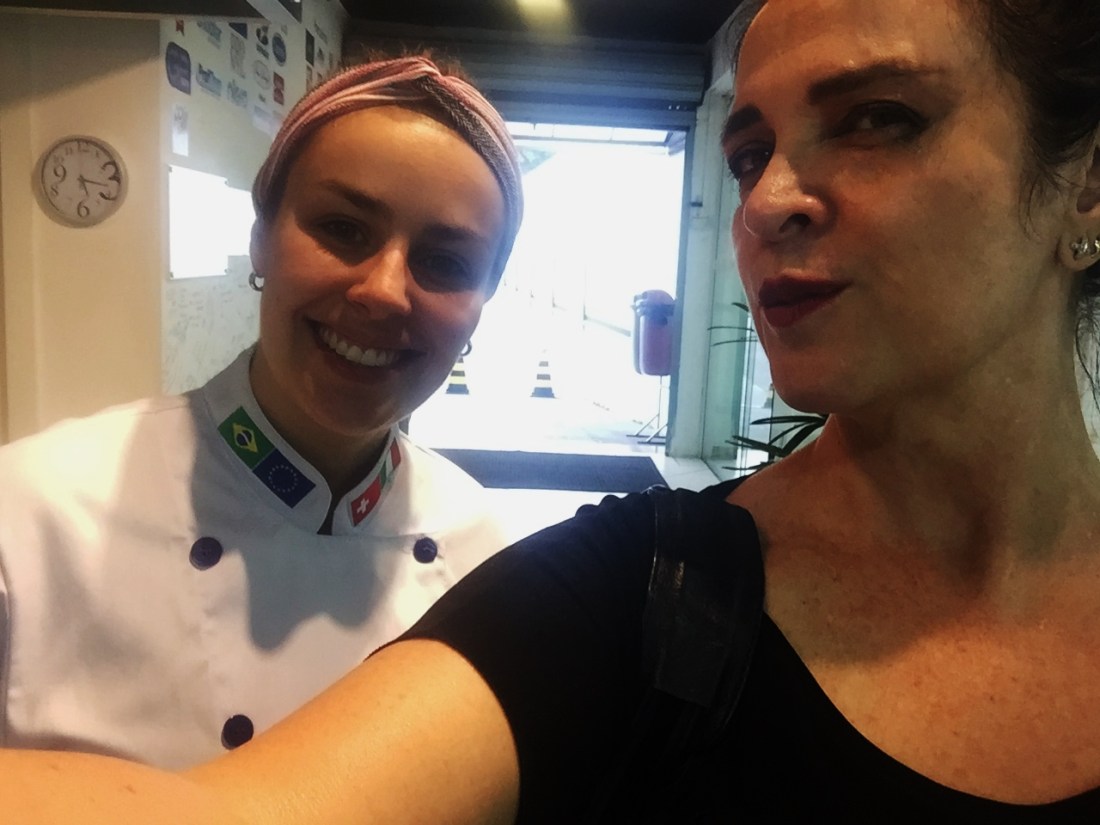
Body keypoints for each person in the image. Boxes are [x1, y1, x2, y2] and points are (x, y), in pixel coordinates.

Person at [5, 0, 1100, 820]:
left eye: (876, 118)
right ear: (260, 236)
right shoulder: (632, 588)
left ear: (1086, 184)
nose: (765, 202)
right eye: (745, 153)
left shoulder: (477, 539)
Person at [0, 55, 523, 769]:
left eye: (447, 263)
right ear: (261, 238)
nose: (383, 291)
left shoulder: (486, 557)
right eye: (343, 228)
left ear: (482, 302)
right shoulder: (30, 515)